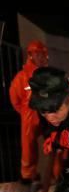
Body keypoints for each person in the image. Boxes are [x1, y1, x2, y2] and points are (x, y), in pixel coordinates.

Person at [9, 41, 50, 184]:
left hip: (49, 114)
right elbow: (15, 99)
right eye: (38, 54)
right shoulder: (22, 77)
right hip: (30, 115)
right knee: (28, 147)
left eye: (43, 54)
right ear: (30, 55)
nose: (41, 57)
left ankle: (59, 176)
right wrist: (26, 112)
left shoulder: (49, 75)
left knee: (57, 144)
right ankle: (28, 177)